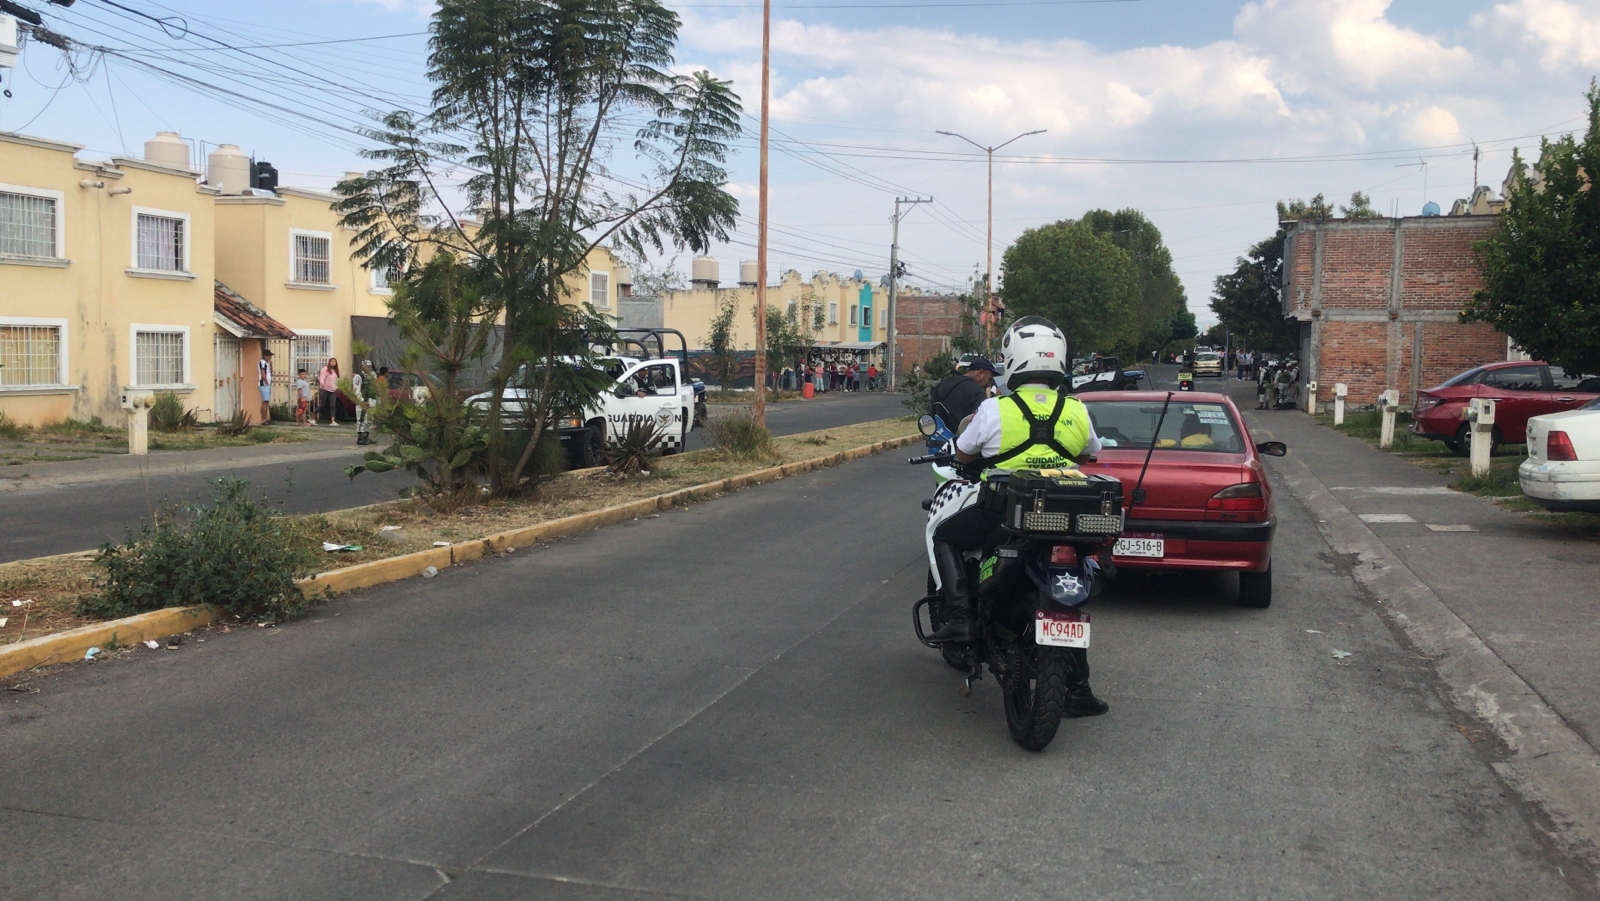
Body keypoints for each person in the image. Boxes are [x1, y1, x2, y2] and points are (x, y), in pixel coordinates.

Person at [928, 316, 1107, 717]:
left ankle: (960, 618)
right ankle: (1078, 688)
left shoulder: (994, 409)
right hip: (1064, 516)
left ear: (1013, 360)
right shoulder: (1076, 409)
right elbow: (1089, 453)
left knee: (945, 536)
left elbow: (962, 454)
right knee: (1067, 603)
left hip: (1004, 513)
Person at [929, 357, 997, 432]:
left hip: (937, 439)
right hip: (961, 441)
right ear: (981, 373)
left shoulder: (943, 384)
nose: (989, 384)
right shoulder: (977, 392)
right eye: (990, 379)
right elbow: (981, 427)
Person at [352, 359, 379, 445]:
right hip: (363, 401)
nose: (369, 368)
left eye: (370, 366)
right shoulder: (359, 377)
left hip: (371, 401)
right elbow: (357, 390)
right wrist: (362, 401)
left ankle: (366, 437)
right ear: (362, 367)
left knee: (369, 420)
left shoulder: (373, 376)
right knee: (361, 419)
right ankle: (360, 438)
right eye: (367, 366)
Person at [317, 357, 341, 425]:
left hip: (332, 390)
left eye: (334, 362)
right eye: (331, 361)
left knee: (333, 405)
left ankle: (333, 421)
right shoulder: (325, 369)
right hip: (325, 389)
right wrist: (322, 383)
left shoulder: (335, 371)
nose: (333, 363)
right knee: (322, 405)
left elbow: (336, 380)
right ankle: (312, 417)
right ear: (329, 362)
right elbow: (322, 378)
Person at [257, 347, 274, 423]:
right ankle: (263, 419)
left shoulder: (267, 363)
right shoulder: (262, 362)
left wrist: (271, 364)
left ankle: (265, 418)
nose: (270, 357)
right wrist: (266, 381)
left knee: (266, 402)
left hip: (267, 384)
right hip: (264, 384)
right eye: (269, 356)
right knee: (265, 401)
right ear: (265, 356)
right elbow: (262, 372)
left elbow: (271, 372)